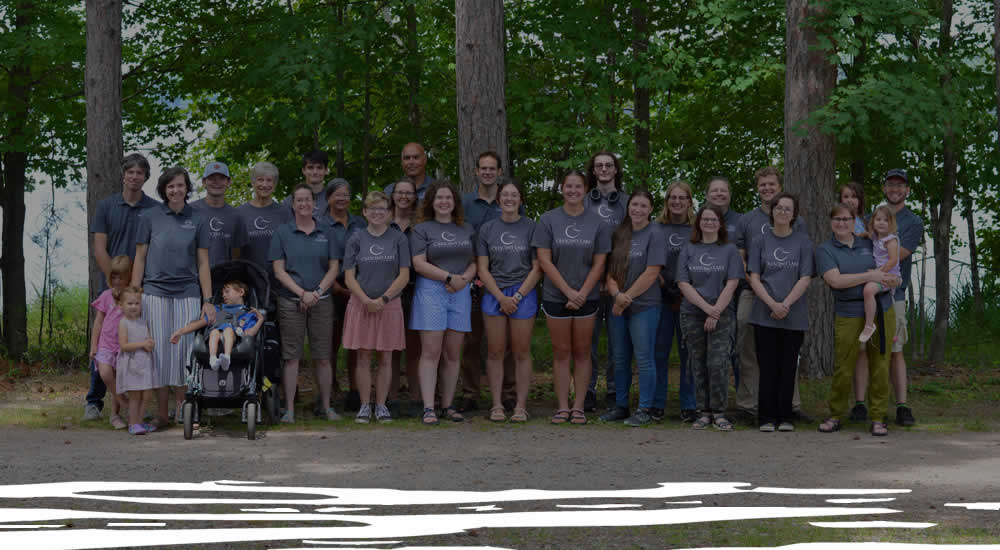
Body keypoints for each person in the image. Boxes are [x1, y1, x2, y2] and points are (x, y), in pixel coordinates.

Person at [131, 166, 215, 428]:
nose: (175, 190)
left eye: (180, 185)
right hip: (154, 293)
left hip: (187, 293)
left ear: (187, 188)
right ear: (163, 190)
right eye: (170, 186)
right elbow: (140, 257)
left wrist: (208, 300)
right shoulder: (149, 217)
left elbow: (203, 262)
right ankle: (162, 415)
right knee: (158, 354)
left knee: (183, 354)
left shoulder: (198, 219)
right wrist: (134, 291)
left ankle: (184, 410)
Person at [85, 152, 159, 421]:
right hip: (113, 284)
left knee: (134, 343)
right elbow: (99, 247)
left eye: (140, 173)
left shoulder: (154, 208)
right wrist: (116, 281)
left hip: (140, 287)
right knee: (105, 340)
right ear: (123, 174)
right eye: (130, 172)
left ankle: (138, 405)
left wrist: (133, 287)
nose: (134, 176)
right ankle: (94, 401)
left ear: (146, 177)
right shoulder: (106, 206)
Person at [533, 170, 611, 425]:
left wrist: (582, 293)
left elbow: (600, 264)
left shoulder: (597, 222)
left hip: (587, 296)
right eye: (569, 186)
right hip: (557, 295)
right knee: (561, 352)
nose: (573, 191)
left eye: (578, 187)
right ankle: (562, 406)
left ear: (585, 189)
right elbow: (544, 259)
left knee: (582, 351)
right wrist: (568, 292)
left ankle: (579, 406)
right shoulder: (548, 220)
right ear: (562, 188)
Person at [816, 203, 899, 436]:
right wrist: (868, 276)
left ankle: (878, 417)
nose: (841, 223)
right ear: (831, 222)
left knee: (880, 364)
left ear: (855, 222)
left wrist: (893, 280)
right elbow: (836, 281)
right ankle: (835, 415)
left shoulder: (869, 242)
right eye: (837, 219)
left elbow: (891, 270)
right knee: (844, 366)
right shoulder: (825, 250)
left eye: (846, 219)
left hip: (881, 308)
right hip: (848, 311)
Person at [733, 166, 805, 421]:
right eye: (762, 184)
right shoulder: (747, 220)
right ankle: (748, 404)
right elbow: (740, 257)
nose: (767, 188)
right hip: (753, 292)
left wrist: (783, 299)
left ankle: (791, 405)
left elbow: (801, 258)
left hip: (787, 298)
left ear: (779, 186)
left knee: (788, 352)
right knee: (749, 346)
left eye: (771, 184)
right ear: (757, 188)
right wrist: (756, 285)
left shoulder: (797, 220)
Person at [269, 184, 342, 423]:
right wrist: (302, 293)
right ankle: (289, 409)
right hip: (291, 301)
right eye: (299, 200)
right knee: (291, 357)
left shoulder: (327, 231)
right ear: (292, 205)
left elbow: (334, 267)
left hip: (322, 300)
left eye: (307, 200)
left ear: (314, 203)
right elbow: (279, 271)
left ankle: (326, 407)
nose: (304, 204)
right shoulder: (282, 232)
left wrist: (317, 292)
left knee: (323, 356)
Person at [410, 180, 477, 425]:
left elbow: (475, 261)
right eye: (439, 198)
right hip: (431, 291)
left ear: (455, 202)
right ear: (431, 202)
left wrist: (464, 280)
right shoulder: (421, 229)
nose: (444, 202)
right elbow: (418, 263)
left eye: (448, 198)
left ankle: (448, 405)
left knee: (452, 353)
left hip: (460, 292)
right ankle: (429, 407)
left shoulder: (466, 229)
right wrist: (448, 277)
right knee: (431, 352)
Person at [746, 193, 814, 432]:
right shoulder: (759, 240)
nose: (783, 212)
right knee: (767, 366)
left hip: (794, 313)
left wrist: (785, 304)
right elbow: (753, 276)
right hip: (764, 311)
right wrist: (772, 304)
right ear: (772, 211)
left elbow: (805, 277)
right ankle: (766, 417)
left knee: (788, 366)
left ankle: (785, 417)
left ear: (794, 214)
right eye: (779, 208)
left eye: (788, 209)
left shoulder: (803, 242)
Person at [342, 191, 411, 424]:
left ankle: (381, 405)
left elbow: (404, 274)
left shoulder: (398, 238)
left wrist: (383, 300)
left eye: (382, 209)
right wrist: (365, 300)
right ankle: (364, 406)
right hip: (361, 304)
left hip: (389, 306)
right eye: (372, 209)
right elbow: (349, 276)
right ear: (364, 212)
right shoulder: (356, 238)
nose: (377, 213)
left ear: (389, 213)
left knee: (386, 357)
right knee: (362, 356)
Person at [458, 151, 519, 412]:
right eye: (483, 168)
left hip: (505, 280)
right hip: (472, 278)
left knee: (505, 342)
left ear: (498, 171)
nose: (487, 172)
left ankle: (508, 393)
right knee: (471, 340)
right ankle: (470, 393)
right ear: (476, 171)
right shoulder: (465, 203)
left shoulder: (508, 200)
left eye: (492, 168)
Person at [476, 180, 540, 422]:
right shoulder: (487, 229)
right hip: (495, 293)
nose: (510, 199)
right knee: (495, 352)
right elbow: (482, 269)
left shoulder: (532, 227)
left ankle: (521, 406)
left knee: (522, 352)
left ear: (521, 200)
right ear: (499, 199)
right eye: (505, 195)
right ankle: (496, 405)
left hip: (523, 292)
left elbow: (537, 268)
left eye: (515, 195)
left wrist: (517, 296)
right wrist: (501, 297)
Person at [600, 190, 665, 427]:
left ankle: (645, 408)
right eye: (634, 204)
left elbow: (652, 272)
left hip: (645, 306)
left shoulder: (656, 233)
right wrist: (617, 295)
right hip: (617, 305)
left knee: (644, 358)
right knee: (619, 357)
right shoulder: (620, 234)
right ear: (628, 207)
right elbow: (609, 272)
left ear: (650, 209)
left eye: (643, 205)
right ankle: (621, 405)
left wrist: (625, 297)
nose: (638, 209)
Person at [676, 205, 742, 431]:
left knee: (718, 362)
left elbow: (732, 282)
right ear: (698, 223)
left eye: (714, 219)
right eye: (705, 219)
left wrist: (715, 311)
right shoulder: (688, 249)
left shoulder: (730, 250)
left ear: (721, 223)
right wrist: (706, 308)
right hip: (693, 314)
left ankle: (719, 412)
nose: (709, 223)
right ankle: (703, 412)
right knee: (698, 363)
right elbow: (684, 283)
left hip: (722, 314)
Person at [583, 151, 629, 411]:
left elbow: (628, 243)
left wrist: (610, 276)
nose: (603, 169)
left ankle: (614, 390)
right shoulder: (583, 201)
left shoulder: (625, 202)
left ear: (615, 170)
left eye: (608, 165)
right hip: (588, 281)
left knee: (617, 342)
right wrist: (595, 276)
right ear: (593, 170)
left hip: (618, 281)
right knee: (588, 341)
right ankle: (588, 390)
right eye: (599, 165)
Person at [320, 178, 366, 411]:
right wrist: (336, 288)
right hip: (330, 290)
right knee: (329, 345)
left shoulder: (360, 223)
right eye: (337, 194)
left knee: (355, 345)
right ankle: (327, 394)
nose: (342, 198)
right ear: (328, 198)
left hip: (357, 290)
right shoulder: (320, 224)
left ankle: (355, 393)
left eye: (346, 194)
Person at [653, 181, 696, 422]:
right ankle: (658, 402)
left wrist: (683, 288)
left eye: (682, 198)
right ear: (667, 201)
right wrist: (663, 283)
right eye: (672, 197)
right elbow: (649, 261)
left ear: (690, 201)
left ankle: (689, 404)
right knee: (659, 351)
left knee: (687, 352)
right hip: (660, 296)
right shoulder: (656, 228)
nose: (677, 202)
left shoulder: (696, 229)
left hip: (688, 298)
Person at [168, 280, 264, 370]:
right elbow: (198, 324)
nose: (223, 296)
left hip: (235, 339)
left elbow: (249, 334)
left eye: (227, 292)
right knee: (214, 332)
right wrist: (180, 332)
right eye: (222, 293)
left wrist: (260, 320)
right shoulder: (216, 310)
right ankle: (213, 359)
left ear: (241, 292)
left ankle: (227, 357)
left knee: (228, 330)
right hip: (215, 336)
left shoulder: (248, 314)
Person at [387, 178, 423, 415]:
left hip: (417, 289)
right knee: (390, 348)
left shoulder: (422, 224)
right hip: (388, 292)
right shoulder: (383, 223)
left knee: (415, 348)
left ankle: (416, 399)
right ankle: (388, 399)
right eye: (399, 192)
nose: (403, 197)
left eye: (408, 193)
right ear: (392, 196)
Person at [88, 255, 133, 430]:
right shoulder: (106, 296)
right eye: (113, 277)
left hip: (122, 346)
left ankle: (115, 414)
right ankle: (125, 400)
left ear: (128, 277)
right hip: (105, 345)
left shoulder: (130, 296)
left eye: (120, 277)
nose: (116, 280)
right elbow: (98, 322)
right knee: (105, 374)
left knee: (119, 379)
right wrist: (94, 345)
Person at [238, 162, 291, 291]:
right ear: (252, 182)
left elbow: (292, 249)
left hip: (281, 284)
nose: (265, 184)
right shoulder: (239, 213)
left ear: (275, 185)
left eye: (269, 180)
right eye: (260, 180)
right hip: (249, 284)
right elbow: (235, 253)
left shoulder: (285, 213)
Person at [115, 286, 158, 436]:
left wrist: (150, 343)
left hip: (144, 363)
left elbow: (147, 339)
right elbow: (124, 345)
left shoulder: (143, 321)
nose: (134, 307)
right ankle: (133, 423)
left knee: (147, 395)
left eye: (137, 304)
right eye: (130, 303)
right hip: (132, 364)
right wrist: (142, 344)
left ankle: (139, 421)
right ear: (121, 305)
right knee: (135, 396)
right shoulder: (124, 323)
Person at [190, 161, 245, 266]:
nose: (217, 182)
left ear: (229, 182)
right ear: (204, 182)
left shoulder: (236, 215)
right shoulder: (190, 210)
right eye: (212, 178)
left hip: (223, 279)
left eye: (221, 178)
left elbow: (237, 255)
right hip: (193, 279)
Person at [859, 205, 900, 344]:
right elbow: (869, 235)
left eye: (886, 220)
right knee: (870, 292)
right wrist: (863, 234)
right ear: (873, 222)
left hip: (888, 275)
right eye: (878, 219)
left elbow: (893, 260)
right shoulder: (876, 236)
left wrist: (878, 273)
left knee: (868, 290)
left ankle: (869, 325)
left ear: (891, 223)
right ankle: (891, 330)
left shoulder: (890, 241)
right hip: (880, 274)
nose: (881, 222)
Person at [282, 150, 330, 218]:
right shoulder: (290, 201)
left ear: (326, 170)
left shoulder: (333, 199)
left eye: (319, 167)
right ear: (303, 170)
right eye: (310, 167)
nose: (315, 172)